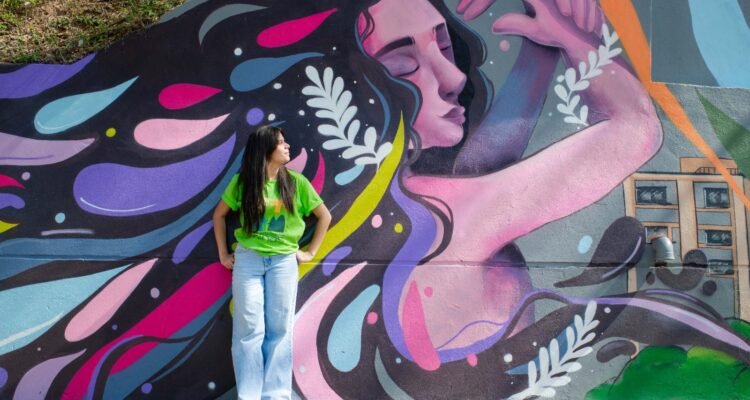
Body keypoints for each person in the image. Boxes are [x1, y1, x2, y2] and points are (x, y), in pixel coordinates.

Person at [212, 125, 331, 400]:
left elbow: (324, 216)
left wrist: (310, 252)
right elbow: (219, 215)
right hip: (248, 261)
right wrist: (223, 254)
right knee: (248, 330)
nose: (287, 146)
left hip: (283, 262)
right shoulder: (243, 183)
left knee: (279, 329)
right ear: (265, 149)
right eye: (280, 142)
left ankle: (276, 396)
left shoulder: (297, 183)